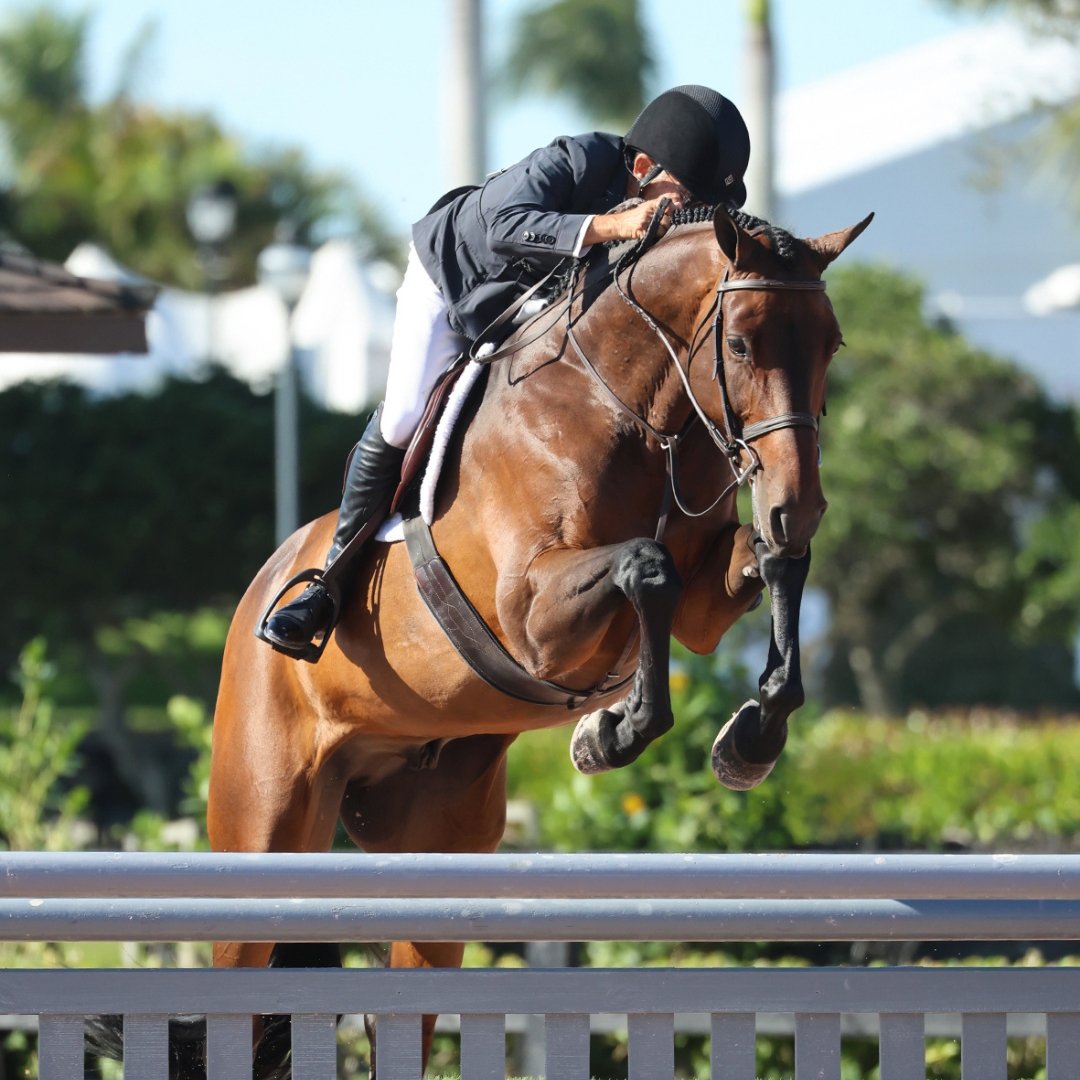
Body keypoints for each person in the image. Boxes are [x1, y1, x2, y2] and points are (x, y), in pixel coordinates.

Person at [261, 84, 751, 659]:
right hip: (452, 285)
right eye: (682, 199)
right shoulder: (576, 159)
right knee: (401, 419)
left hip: (529, 304)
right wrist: (609, 227)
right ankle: (328, 585)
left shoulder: (653, 219)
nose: (683, 219)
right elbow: (504, 226)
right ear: (643, 168)